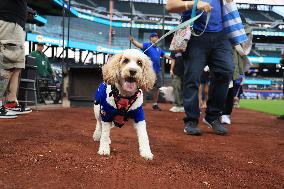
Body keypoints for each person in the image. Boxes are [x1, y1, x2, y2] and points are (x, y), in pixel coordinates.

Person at [167, 0, 235, 135]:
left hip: (221, 34)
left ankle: (213, 116)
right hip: (195, 33)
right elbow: (170, 6)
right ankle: (191, 120)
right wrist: (193, 4)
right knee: (192, 77)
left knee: (226, 71)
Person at [0, 0, 32, 118]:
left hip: (15, 21)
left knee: (17, 65)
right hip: (7, 19)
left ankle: (11, 102)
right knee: (6, 63)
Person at [129, 32, 174, 111]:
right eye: (154, 36)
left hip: (157, 71)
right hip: (148, 71)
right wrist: (133, 41)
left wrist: (172, 58)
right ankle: (141, 102)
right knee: (144, 85)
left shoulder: (158, 48)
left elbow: (164, 55)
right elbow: (139, 45)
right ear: (151, 38)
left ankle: (155, 104)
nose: (156, 38)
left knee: (157, 88)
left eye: (157, 36)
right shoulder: (147, 45)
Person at [222, 15, 253, 124]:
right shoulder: (223, 23)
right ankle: (218, 112)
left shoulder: (246, 29)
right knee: (221, 86)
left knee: (229, 87)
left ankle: (225, 113)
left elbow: (244, 49)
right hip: (221, 56)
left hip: (232, 60)